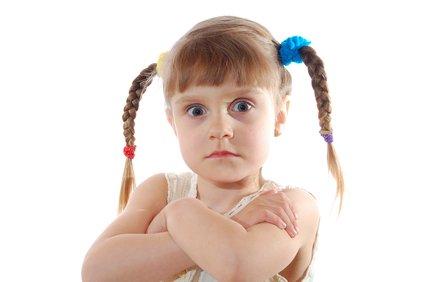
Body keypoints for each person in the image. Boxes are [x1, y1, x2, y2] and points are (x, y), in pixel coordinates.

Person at [81, 15, 344, 282]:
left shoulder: (289, 207)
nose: (219, 129)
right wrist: (231, 220)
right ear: (173, 123)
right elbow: (97, 272)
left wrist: (177, 216)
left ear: (279, 115)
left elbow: (237, 264)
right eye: (196, 110)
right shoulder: (162, 193)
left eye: (241, 106)